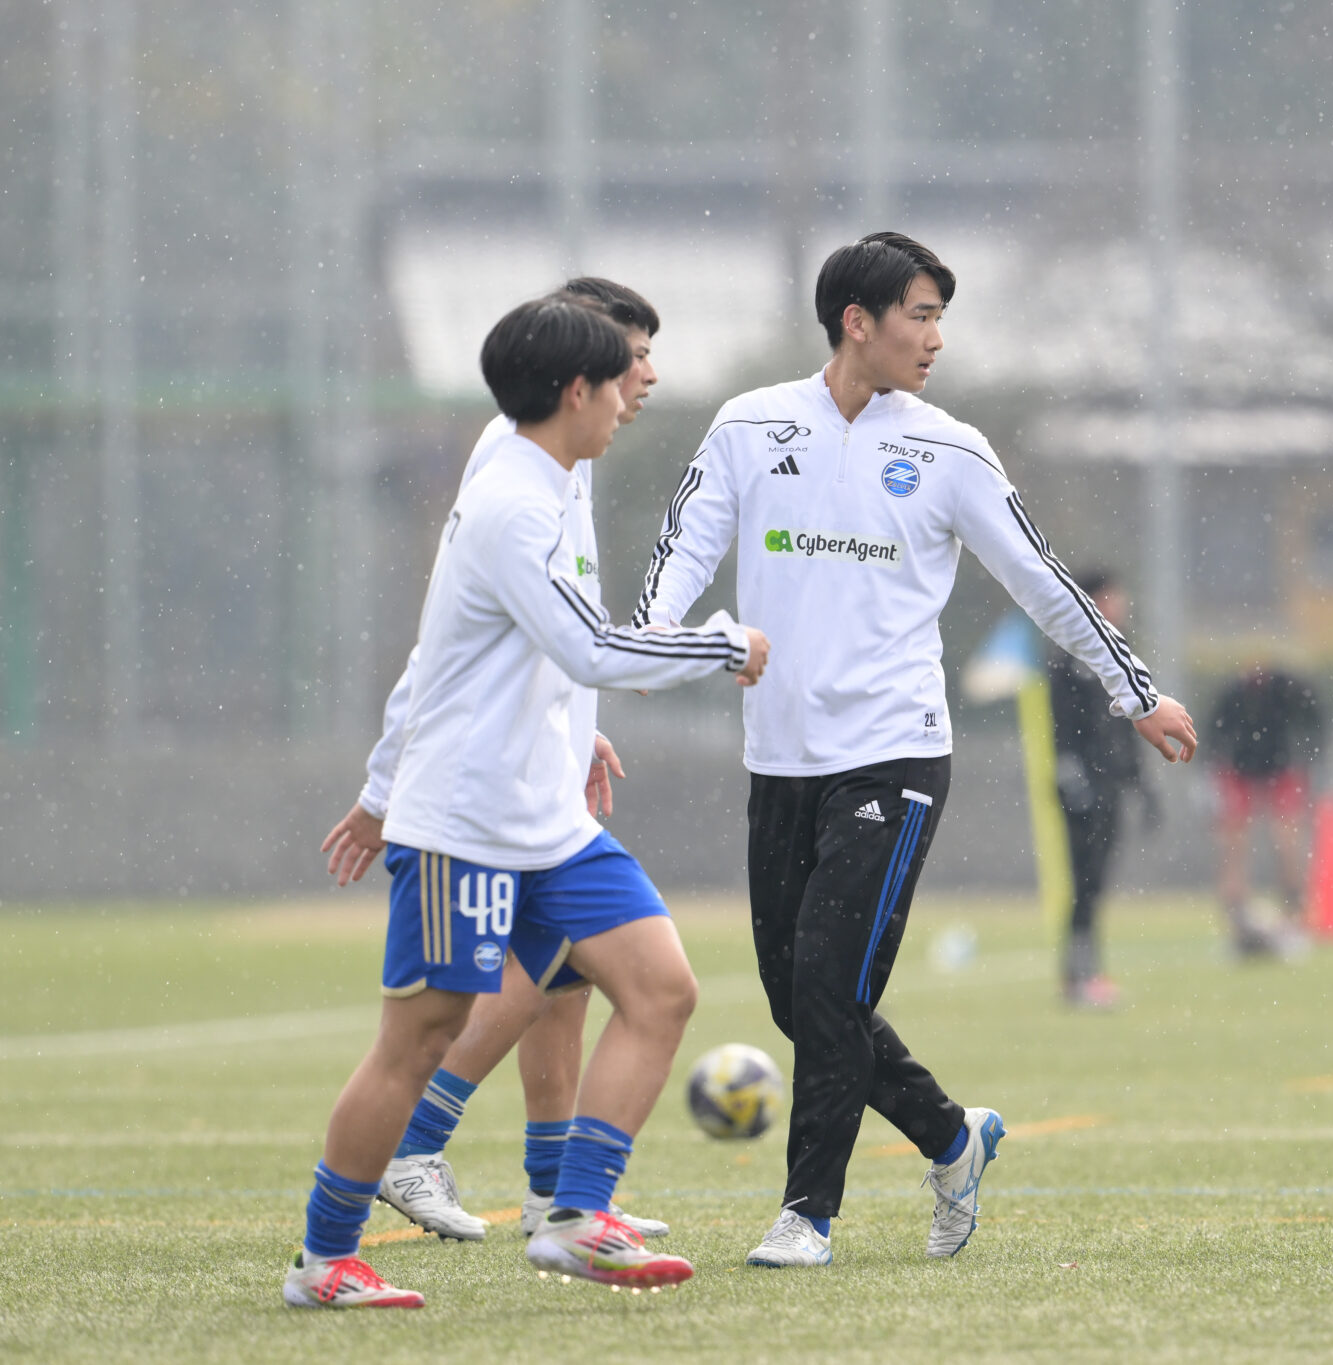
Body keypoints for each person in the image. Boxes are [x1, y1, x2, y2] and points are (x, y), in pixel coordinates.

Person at [632, 231, 1198, 1269]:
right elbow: (682, 554)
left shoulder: (950, 449)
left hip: (894, 752)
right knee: (796, 995)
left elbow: (1043, 581)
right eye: (921, 316)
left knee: (828, 985)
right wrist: (649, 643)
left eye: (940, 318)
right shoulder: (748, 426)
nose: (936, 338)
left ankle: (806, 1214)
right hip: (779, 757)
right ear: (858, 322)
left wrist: (1134, 691)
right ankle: (948, 1136)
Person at [282, 296, 769, 1309]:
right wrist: (724, 644)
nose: (634, 396)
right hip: (467, 819)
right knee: (420, 1039)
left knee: (660, 988)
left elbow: (527, 651)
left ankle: (576, 1216)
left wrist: (569, 728)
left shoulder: (552, 478)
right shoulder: (511, 499)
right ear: (575, 390)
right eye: (621, 377)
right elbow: (587, 645)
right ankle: (325, 1259)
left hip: (547, 820)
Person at [321, 278, 675, 1243]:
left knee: (584, 981)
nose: (645, 375)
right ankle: (398, 1168)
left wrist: (570, 724)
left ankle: (561, 1198)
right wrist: (383, 787)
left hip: (543, 788)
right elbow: (452, 643)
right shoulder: (514, 469)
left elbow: (544, 639)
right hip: (481, 801)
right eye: (633, 354)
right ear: (579, 376)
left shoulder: (572, 460)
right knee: (467, 1005)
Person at [1048, 568, 1157, 1009]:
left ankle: (1086, 970)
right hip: (1084, 789)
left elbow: (1127, 727)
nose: (1121, 606)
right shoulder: (1070, 658)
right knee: (1085, 879)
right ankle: (1078, 975)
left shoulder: (1118, 658)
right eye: (1112, 598)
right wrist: (1073, 777)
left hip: (1110, 786)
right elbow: (1063, 729)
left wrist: (1142, 785)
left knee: (1097, 881)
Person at [1208, 660, 1325, 958]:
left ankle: (1293, 918)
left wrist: (1310, 759)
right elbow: (1212, 735)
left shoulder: (1287, 688)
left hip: (1281, 769)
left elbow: (1315, 721)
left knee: (1288, 844)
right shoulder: (1234, 692)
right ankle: (1238, 922)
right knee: (1233, 848)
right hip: (1239, 770)